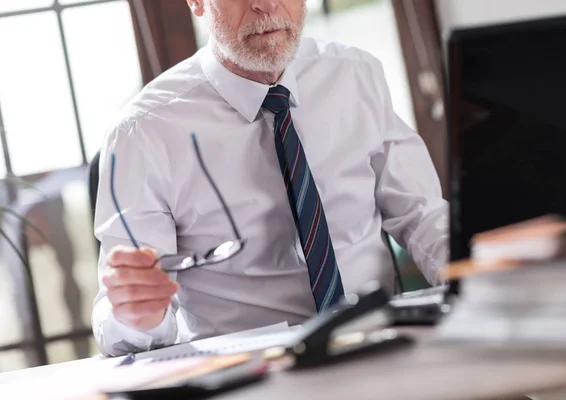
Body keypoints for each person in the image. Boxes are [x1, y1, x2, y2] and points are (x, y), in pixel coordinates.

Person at [91, 0, 449, 356]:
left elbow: (422, 215)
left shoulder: (356, 74)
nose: (266, 4)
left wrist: (472, 275)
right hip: (251, 373)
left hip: (379, 342)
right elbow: (118, 318)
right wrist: (138, 315)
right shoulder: (142, 133)